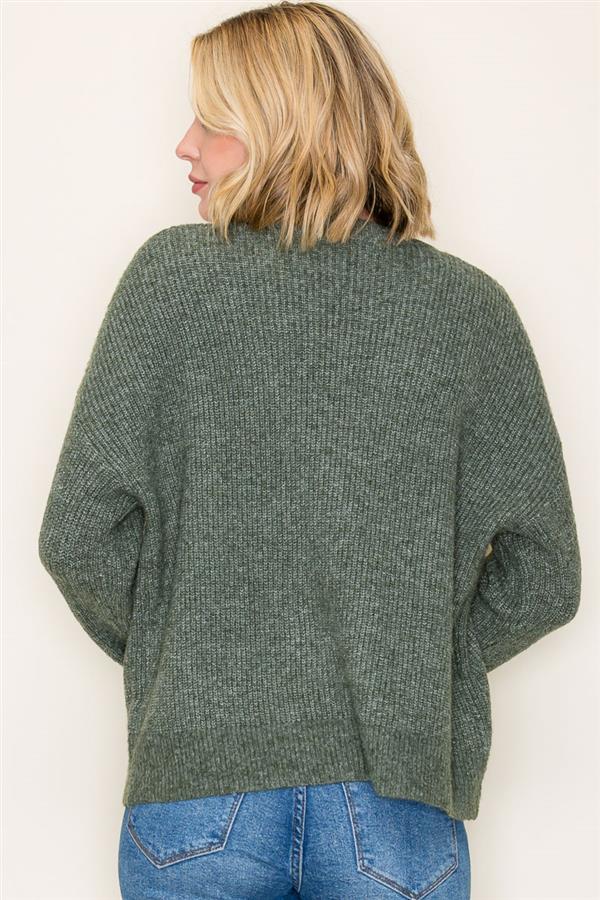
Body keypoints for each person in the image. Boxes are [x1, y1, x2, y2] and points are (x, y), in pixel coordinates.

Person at [37, 2, 581, 898]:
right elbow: (544, 576)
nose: (184, 144)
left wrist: (191, 657)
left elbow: (77, 538)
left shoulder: (171, 282)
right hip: (399, 803)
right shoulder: (468, 311)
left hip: (198, 794)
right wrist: (416, 665)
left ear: (281, 128)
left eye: (211, 121)